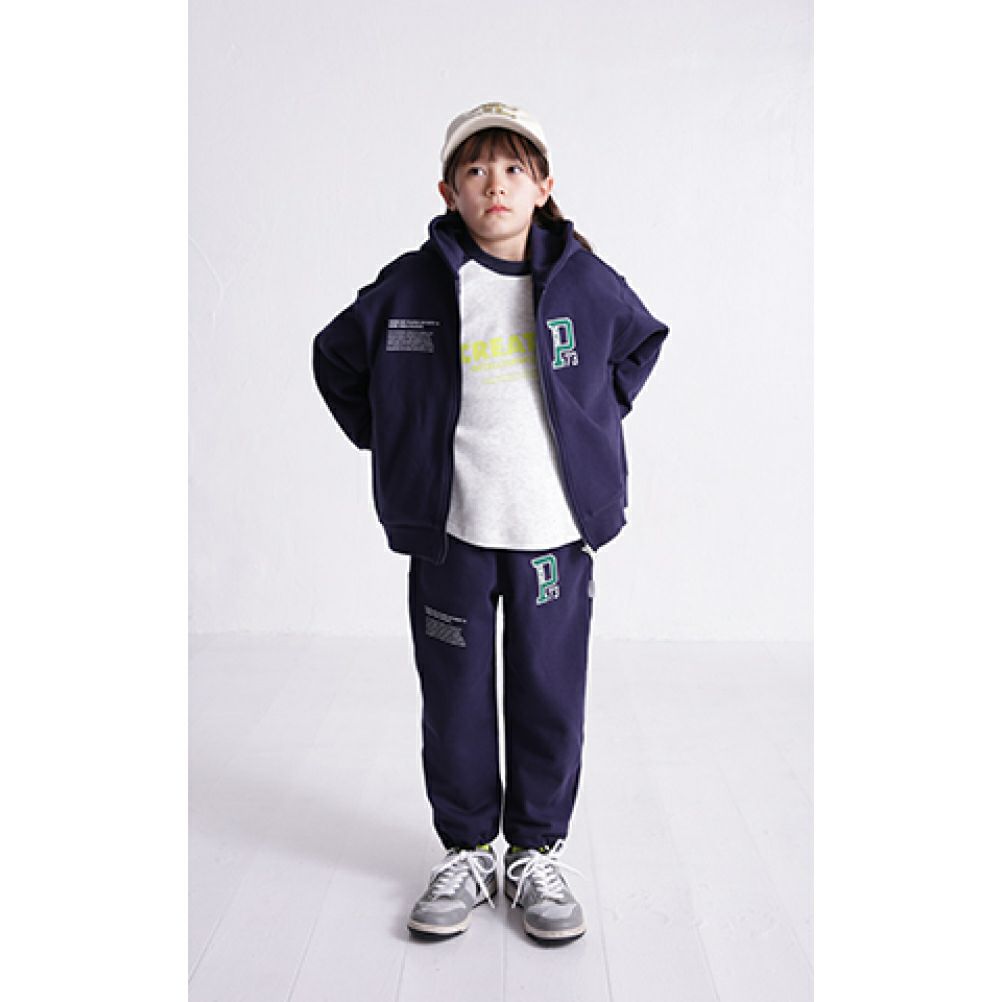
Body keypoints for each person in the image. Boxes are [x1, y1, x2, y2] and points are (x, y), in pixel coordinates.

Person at [312, 101, 669, 943]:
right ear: (449, 192)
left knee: (549, 694)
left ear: (543, 187)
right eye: (475, 171)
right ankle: (469, 849)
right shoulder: (416, 284)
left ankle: (534, 852)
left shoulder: (583, 280)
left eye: (513, 169)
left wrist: (590, 423)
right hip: (454, 537)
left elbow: (639, 341)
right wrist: (398, 442)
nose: (494, 185)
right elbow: (336, 356)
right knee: (456, 697)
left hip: (552, 535)